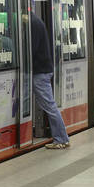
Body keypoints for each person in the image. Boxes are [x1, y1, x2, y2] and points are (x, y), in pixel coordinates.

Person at [29, 13, 70, 150]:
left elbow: (31, 50)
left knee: (50, 106)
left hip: (40, 72)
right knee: (49, 105)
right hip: (42, 71)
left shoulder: (33, 24)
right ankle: (61, 138)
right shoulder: (37, 21)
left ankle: (61, 139)